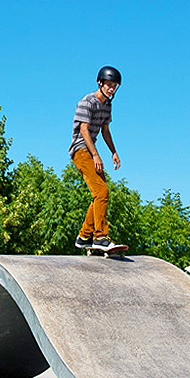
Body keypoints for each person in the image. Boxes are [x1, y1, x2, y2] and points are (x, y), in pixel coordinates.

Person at [70, 66, 122, 250]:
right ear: (100, 83)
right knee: (101, 192)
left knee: (100, 194)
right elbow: (84, 129)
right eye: (108, 85)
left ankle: (84, 237)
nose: (111, 89)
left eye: (114, 86)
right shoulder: (87, 102)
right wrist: (96, 155)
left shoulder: (107, 105)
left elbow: (105, 130)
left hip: (91, 151)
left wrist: (113, 152)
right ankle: (99, 236)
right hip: (80, 150)